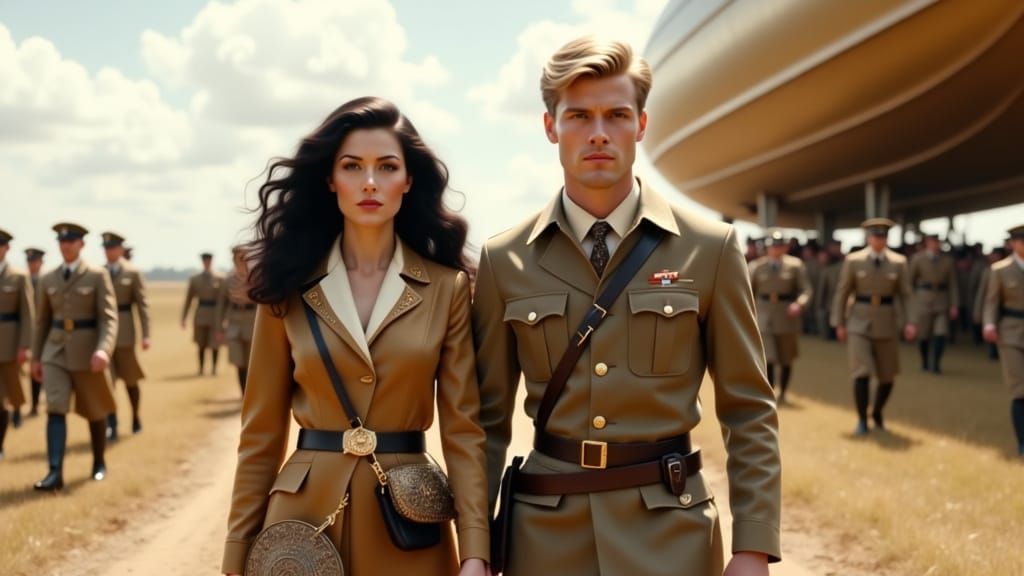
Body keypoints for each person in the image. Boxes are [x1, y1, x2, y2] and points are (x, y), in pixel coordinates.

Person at [472, 37, 781, 576]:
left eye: (616, 114)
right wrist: (476, 549)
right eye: (578, 116)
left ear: (641, 125)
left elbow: (749, 407)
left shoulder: (709, 248)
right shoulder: (504, 259)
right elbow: (485, 423)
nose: (598, 133)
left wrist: (753, 546)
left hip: (671, 535)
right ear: (550, 127)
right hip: (545, 538)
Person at [222, 97, 489, 576]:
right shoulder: (286, 285)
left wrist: (474, 549)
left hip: (409, 529)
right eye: (352, 166)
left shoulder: (447, 289)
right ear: (330, 179)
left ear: (409, 180)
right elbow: (259, 435)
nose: (369, 182)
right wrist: (235, 553)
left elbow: (463, 432)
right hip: (302, 529)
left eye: (387, 167)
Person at [31, 223, 118, 489]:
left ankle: (99, 462)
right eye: (61, 241)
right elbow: (42, 321)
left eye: (71, 241)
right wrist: (37, 357)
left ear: (81, 244)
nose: (65, 245)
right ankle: (54, 472)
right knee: (55, 406)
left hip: (88, 352)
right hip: (54, 351)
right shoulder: (48, 278)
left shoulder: (97, 275)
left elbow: (108, 318)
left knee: (94, 409)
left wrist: (104, 349)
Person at [831, 218, 916, 436]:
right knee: (862, 371)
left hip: (887, 323)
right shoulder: (854, 261)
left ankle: (876, 412)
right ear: (868, 238)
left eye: (883, 236)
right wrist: (838, 322)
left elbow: (906, 295)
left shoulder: (899, 262)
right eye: (875, 236)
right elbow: (843, 292)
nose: (879, 240)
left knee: (888, 376)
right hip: (858, 323)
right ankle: (861, 421)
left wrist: (910, 322)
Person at [748, 229, 812, 403]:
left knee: (786, 357)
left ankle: (783, 392)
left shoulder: (796, 265)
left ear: (785, 247)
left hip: (786, 317)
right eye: (773, 246)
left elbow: (805, 289)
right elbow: (748, 293)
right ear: (767, 248)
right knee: (768, 356)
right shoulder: (756, 266)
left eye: (780, 246)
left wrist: (799, 304)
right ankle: (769, 393)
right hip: (764, 315)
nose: (777, 249)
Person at [101, 232, 151, 439]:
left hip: (125, 334)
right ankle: (111, 422)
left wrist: (146, 334)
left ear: (121, 249)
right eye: (106, 248)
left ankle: (136, 418)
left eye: (112, 247)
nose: (109, 251)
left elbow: (142, 305)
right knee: (107, 383)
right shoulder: (98, 272)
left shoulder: (132, 273)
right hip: (103, 337)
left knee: (131, 380)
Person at [982, 225, 1024, 458]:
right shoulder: (1000, 270)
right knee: (1020, 389)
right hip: (1010, 333)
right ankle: (1022, 441)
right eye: (1022, 240)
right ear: (1013, 243)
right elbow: (991, 301)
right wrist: (989, 324)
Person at [0, 229, 34, 459]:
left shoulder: (19, 277)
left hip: (8, 346)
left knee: (3, 399)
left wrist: (24, 346)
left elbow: (28, 315)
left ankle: (0, 445)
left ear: (7, 248)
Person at [909, 234, 958, 373]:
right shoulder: (918, 259)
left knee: (941, 333)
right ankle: (925, 361)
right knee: (923, 335)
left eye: (937, 242)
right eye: (932, 242)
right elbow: (909, 283)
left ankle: (936, 363)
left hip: (942, 301)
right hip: (923, 300)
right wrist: (912, 302)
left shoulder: (947, 261)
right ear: (927, 243)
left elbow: (952, 284)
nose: (935, 244)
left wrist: (954, 304)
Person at [214, 245, 256, 394]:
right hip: (234, 325)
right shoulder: (227, 281)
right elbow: (221, 306)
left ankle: (252, 393)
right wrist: (219, 328)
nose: (241, 261)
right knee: (239, 362)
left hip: (252, 325)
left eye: (244, 258)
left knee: (253, 362)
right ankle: (243, 394)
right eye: (238, 258)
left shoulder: (256, 278)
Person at [181, 252, 223, 375]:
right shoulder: (195, 279)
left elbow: (223, 300)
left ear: (211, 262)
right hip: (200, 314)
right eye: (205, 261)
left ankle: (214, 368)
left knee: (215, 343)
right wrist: (184, 317)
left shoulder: (220, 278)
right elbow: (189, 299)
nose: (206, 263)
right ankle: (201, 368)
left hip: (215, 314)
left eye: (208, 261)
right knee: (201, 343)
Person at [25, 247, 45, 417]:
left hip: (43, 332)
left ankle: (36, 403)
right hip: (26, 333)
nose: (32, 265)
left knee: (40, 367)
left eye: (34, 261)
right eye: (29, 262)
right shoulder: (23, 280)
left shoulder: (47, 281)